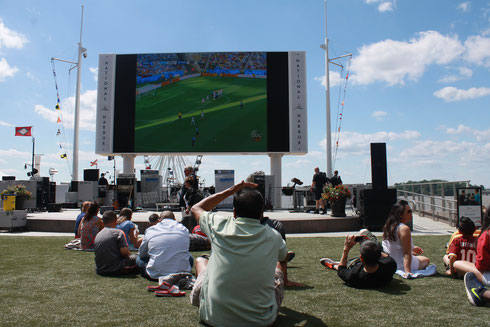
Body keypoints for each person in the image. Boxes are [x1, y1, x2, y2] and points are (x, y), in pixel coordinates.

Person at [190, 181, 289, 326]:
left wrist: (230, 191)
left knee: (202, 262)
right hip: (262, 320)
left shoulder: (219, 225)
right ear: (262, 212)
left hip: (213, 318)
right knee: (277, 269)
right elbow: (283, 258)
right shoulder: (274, 236)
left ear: (234, 211)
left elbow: (196, 208)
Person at [320, 230, 397, 288]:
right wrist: (371, 246)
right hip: (376, 270)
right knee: (364, 232)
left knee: (345, 265)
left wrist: (346, 249)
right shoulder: (390, 265)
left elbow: (341, 270)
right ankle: (369, 245)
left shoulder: (354, 274)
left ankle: (333, 265)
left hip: (357, 265)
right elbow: (385, 256)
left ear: (361, 258)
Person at [136, 210, 192, 280]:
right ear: (174, 219)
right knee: (190, 257)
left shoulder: (151, 230)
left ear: (159, 220)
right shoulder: (184, 229)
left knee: (139, 258)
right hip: (182, 272)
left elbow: (142, 254)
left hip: (156, 274)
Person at [382, 200, 430, 277]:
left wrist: (413, 248)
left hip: (390, 261)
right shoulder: (404, 228)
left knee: (413, 253)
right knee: (426, 260)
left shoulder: (388, 226)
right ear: (401, 214)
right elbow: (406, 253)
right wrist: (407, 271)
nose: (411, 214)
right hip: (399, 264)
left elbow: (394, 245)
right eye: (409, 211)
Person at [454, 210, 490, 306]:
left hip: (487, 274)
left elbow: (481, 264)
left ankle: (482, 293)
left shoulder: (486, 235)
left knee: (456, 263)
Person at [94, 211, 138, 276]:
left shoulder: (99, 234)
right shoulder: (118, 233)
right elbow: (125, 253)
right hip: (115, 268)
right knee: (138, 258)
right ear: (115, 221)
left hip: (100, 269)